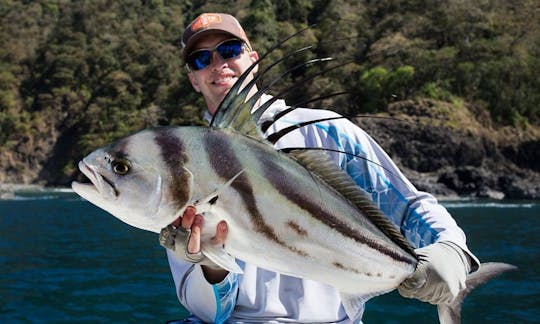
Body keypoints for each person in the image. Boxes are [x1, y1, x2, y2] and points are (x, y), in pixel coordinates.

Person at [163, 13, 479, 323]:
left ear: (253, 60)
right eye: (201, 60)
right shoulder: (181, 167)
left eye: (230, 51)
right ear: (193, 78)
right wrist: (211, 267)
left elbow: (406, 205)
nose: (218, 64)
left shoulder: (327, 130)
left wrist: (452, 249)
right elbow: (211, 314)